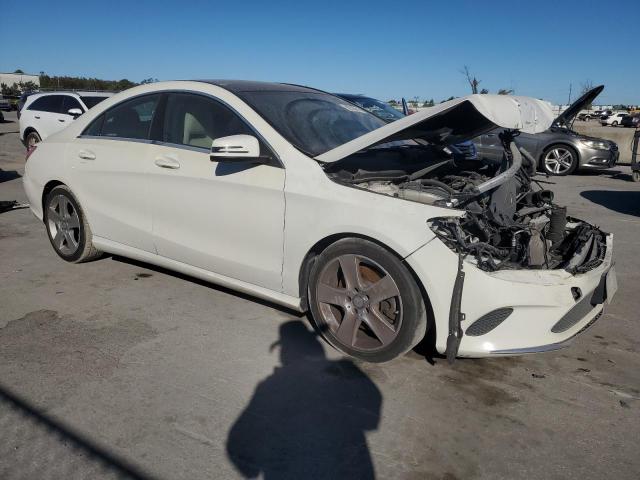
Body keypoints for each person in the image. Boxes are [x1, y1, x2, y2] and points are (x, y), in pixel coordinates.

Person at [227, 321, 382, 480]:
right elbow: (371, 419)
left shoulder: (273, 386)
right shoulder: (344, 371)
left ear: (286, 352)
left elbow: (239, 439)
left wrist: (250, 469)